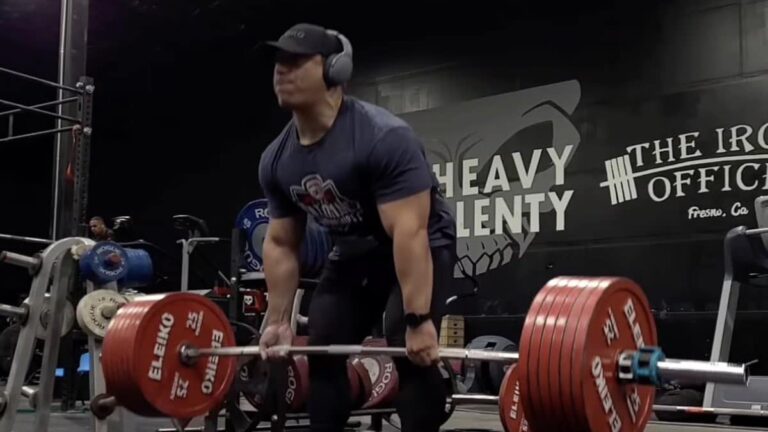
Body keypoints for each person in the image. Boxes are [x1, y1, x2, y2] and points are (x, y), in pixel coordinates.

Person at [257, 23, 457, 432]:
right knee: (323, 351)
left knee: (411, 352)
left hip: (418, 244)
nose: (282, 70)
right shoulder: (277, 159)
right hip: (352, 252)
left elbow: (409, 232)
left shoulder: (382, 138)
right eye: (279, 61)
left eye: (296, 61)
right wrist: (278, 320)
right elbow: (281, 242)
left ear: (335, 69)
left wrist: (420, 321)